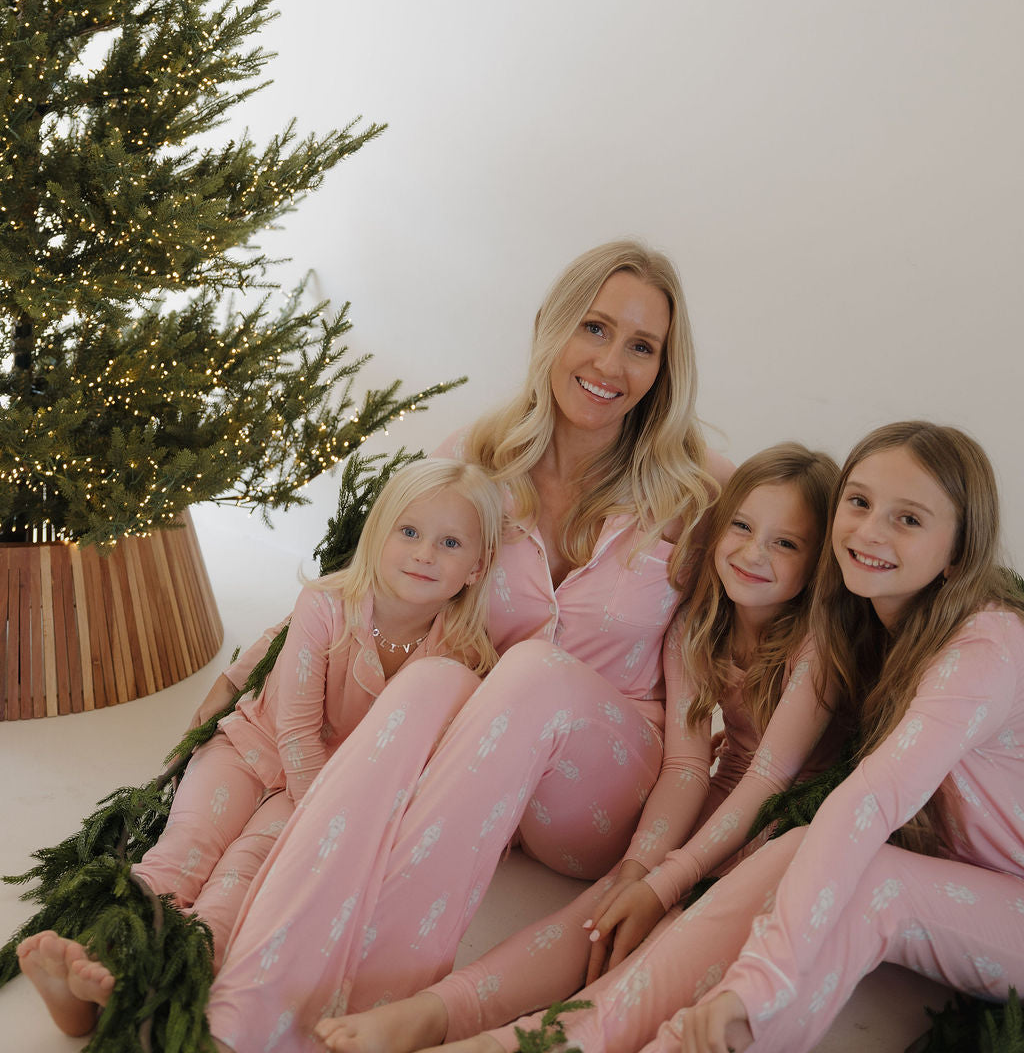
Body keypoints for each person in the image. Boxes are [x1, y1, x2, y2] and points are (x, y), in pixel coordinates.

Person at [196, 238, 729, 1051]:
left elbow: (694, 748)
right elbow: (368, 587)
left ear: (665, 367)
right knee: (435, 678)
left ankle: (373, 1012)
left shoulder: (696, 496)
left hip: (605, 790)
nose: (611, 362)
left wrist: (646, 867)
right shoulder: (473, 462)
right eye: (594, 327)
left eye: (642, 346)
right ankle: (249, 1013)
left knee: (531, 672)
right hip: (481, 768)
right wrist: (250, 670)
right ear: (552, 326)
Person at [394, 420, 1024, 1053]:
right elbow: (697, 762)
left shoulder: (986, 645)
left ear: (960, 551)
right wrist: (651, 872)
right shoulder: (871, 620)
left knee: (850, 874)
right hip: (946, 870)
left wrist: (751, 989)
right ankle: (471, 1021)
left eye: (909, 519)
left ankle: (611, 1037)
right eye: (859, 502)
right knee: (661, 894)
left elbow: (869, 799)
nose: (870, 530)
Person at [313, 441, 844, 1053]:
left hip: (785, 819)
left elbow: (769, 782)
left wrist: (667, 881)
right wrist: (640, 870)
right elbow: (688, 763)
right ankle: (432, 1012)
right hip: (718, 797)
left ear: (818, 561)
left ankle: (486, 1038)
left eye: (786, 542)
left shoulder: (818, 648)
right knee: (602, 912)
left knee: (661, 942)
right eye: (744, 528)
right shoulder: (702, 626)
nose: (754, 553)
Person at [16, 456, 504, 1036]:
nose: (425, 553)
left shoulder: (463, 657)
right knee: (187, 847)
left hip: (322, 787)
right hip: (255, 746)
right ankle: (97, 965)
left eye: (450, 542)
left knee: (242, 879)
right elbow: (295, 727)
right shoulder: (326, 605)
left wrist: (320, 816)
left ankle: (173, 989)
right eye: (409, 532)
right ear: (379, 534)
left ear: (478, 567)